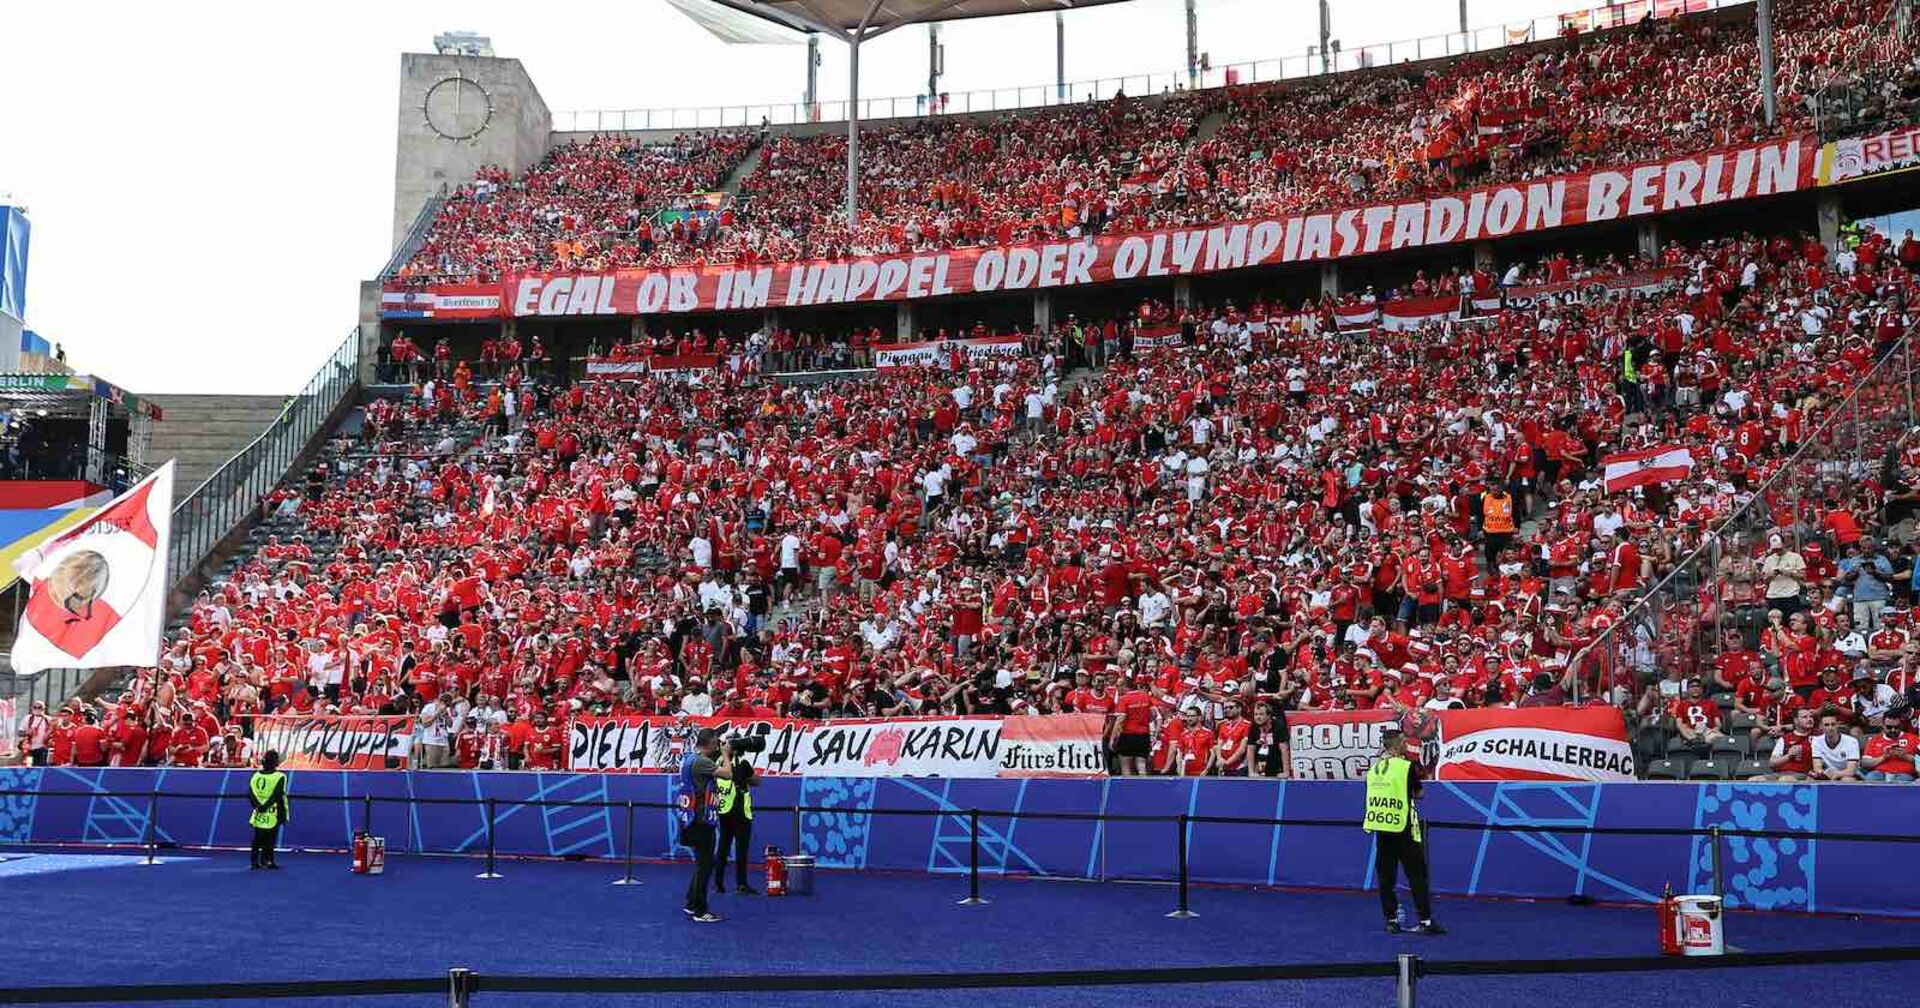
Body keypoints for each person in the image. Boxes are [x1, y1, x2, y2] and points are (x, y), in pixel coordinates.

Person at [1362, 726, 1443, 935]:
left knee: (1386, 877)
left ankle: (1391, 920)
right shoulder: (1405, 766)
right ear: (1397, 745)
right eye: (1403, 741)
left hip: (1382, 828)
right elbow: (1420, 793)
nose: (1406, 744)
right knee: (1417, 874)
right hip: (1404, 828)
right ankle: (1425, 921)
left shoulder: (1374, 769)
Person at [676, 729, 734, 923]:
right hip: (701, 822)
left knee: (702, 864)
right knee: (706, 866)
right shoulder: (702, 762)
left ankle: (691, 902)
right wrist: (726, 755)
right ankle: (701, 911)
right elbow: (727, 774)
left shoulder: (689, 759)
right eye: (716, 743)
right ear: (710, 743)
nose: (718, 746)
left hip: (689, 819)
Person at [714, 758, 758, 894]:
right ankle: (741, 884)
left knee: (722, 847)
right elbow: (756, 781)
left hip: (723, 809)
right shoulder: (742, 764)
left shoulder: (718, 762)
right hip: (740, 811)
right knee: (741, 849)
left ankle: (718, 883)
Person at [248, 750, 290, 870]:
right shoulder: (280, 776)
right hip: (273, 812)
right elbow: (277, 794)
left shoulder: (256, 775)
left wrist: (258, 806)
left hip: (258, 811)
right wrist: (266, 806)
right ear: (276, 762)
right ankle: (268, 860)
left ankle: (254, 861)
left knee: (257, 837)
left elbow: (251, 793)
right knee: (270, 837)